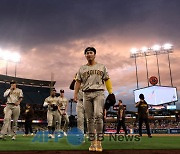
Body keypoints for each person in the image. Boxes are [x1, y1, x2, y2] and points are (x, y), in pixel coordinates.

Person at [74, 47, 113, 152]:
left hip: (99, 92)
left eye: (91, 52)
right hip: (86, 94)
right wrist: (75, 94)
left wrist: (111, 92)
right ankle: (92, 142)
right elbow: (77, 82)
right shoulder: (82, 68)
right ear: (85, 55)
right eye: (87, 53)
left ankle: (99, 141)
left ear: (95, 54)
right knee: (89, 119)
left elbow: (107, 79)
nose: (89, 54)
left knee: (98, 115)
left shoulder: (101, 66)